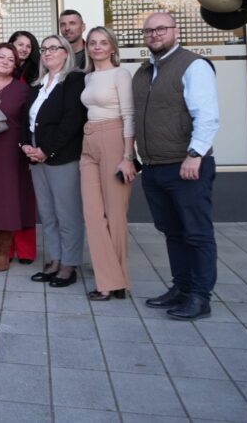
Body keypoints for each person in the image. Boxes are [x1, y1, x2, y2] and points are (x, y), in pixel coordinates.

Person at [134, 12, 219, 321]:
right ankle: (181, 288)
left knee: (197, 233)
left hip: (186, 165)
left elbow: (206, 114)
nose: (155, 34)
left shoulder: (193, 65)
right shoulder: (144, 71)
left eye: (161, 29)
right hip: (154, 166)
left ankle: (200, 296)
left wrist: (195, 154)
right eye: (149, 31)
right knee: (172, 232)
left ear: (176, 31)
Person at [22, 34, 87, 289]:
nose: (47, 52)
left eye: (54, 48)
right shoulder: (37, 84)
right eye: (44, 49)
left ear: (66, 53)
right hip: (35, 155)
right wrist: (25, 145)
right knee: (48, 213)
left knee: (66, 213)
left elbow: (72, 120)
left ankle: (69, 264)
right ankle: (55, 259)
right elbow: (27, 119)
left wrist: (47, 150)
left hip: (61, 156)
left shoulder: (74, 80)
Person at [80, 26, 136, 301]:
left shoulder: (120, 74)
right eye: (93, 43)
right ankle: (110, 278)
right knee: (92, 214)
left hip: (114, 138)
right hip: (89, 140)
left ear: (112, 47)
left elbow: (129, 115)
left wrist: (128, 157)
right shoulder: (89, 76)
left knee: (115, 214)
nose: (97, 47)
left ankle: (115, 282)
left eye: (103, 42)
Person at [0, 43, 35, 272]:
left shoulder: (23, 90)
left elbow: (29, 122)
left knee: (9, 202)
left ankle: (3, 253)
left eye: (11, 60)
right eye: (1, 57)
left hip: (12, 153)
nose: (5, 62)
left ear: (16, 66)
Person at [5, 31, 41, 264]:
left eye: (29, 45)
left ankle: (26, 250)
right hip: (2, 139)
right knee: (6, 196)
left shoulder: (36, 74)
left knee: (25, 197)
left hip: (26, 139)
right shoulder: (3, 70)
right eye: (20, 44)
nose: (24, 49)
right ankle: (6, 248)